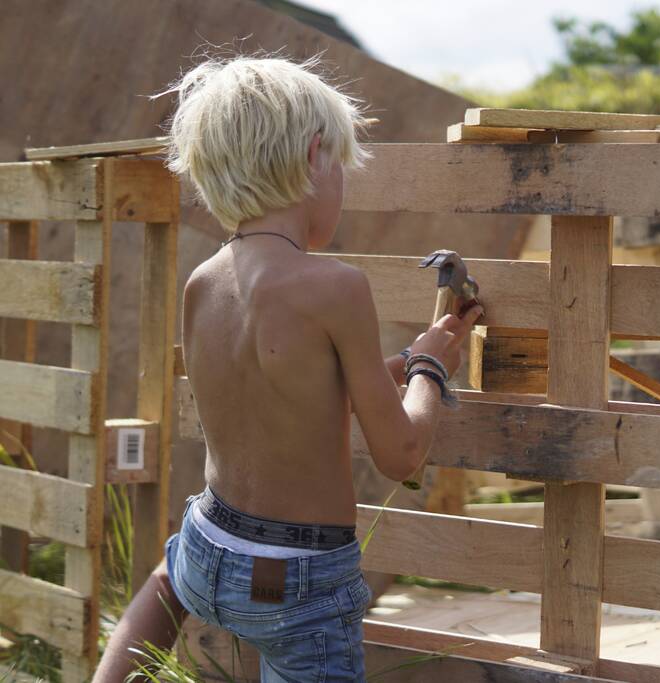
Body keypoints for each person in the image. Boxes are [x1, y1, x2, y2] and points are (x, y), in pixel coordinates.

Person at [94, 55, 483, 682]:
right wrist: (430, 373)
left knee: (168, 578)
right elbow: (401, 455)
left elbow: (298, 395)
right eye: (342, 166)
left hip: (209, 549)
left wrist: (408, 360)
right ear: (312, 155)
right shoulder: (337, 287)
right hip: (297, 583)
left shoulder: (204, 282)